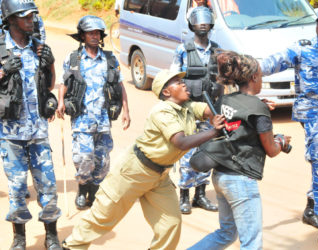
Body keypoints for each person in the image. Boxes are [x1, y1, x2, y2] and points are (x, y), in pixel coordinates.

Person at [61, 69, 226, 250]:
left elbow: (208, 110)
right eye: (177, 83)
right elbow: (181, 142)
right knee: (102, 218)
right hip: (134, 172)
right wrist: (212, 132)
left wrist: (226, 103)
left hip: (159, 176)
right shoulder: (162, 111)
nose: (184, 83)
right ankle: (71, 246)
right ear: (166, 92)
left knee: (170, 224)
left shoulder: (186, 106)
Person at [260, 8, 318, 245]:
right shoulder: (302, 48)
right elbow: (273, 62)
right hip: (313, 116)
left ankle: (311, 209)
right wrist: (247, 68)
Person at [188, 51, 291, 250]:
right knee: (251, 244)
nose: (261, 80)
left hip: (221, 176)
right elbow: (271, 149)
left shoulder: (226, 100)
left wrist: (259, 108)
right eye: (261, 76)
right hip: (241, 180)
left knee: (226, 233)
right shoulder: (258, 109)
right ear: (253, 77)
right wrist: (281, 141)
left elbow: (231, 121)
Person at [0, 0, 62, 249]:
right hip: (10, 133)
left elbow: (48, 85)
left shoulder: (38, 46)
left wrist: (50, 63)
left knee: (47, 184)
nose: (31, 21)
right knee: (16, 188)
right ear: (11, 19)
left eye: (33, 16)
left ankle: (51, 235)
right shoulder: (1, 47)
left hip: (37, 131)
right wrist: (3, 70)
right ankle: (19, 238)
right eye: (25, 17)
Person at [56, 15, 131, 211]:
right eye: (90, 33)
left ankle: (95, 191)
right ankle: (82, 188)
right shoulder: (73, 59)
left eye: (97, 33)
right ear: (82, 36)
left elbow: (120, 85)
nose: (95, 36)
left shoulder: (109, 59)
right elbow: (64, 83)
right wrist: (61, 102)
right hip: (82, 118)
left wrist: (126, 111)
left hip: (103, 119)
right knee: (84, 157)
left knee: (103, 160)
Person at [170, 6, 222, 214]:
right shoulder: (183, 50)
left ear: (211, 24)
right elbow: (173, 79)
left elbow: (222, 79)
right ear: (191, 24)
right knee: (187, 153)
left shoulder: (217, 51)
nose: (202, 24)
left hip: (210, 110)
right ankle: (184, 194)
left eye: (206, 21)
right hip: (189, 109)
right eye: (198, 21)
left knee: (207, 151)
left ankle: (200, 195)